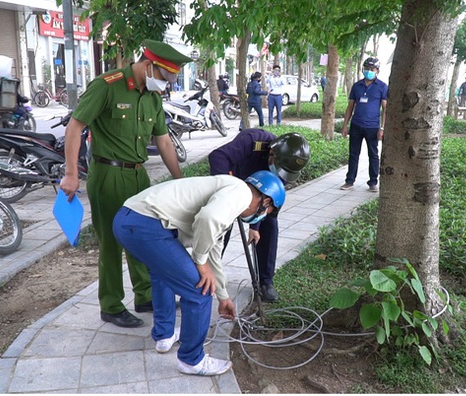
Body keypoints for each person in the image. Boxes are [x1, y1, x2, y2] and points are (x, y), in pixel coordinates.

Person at [60, 39, 193, 328]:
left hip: (138, 176)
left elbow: (164, 141)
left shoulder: (153, 98)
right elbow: (75, 127)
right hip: (108, 174)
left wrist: (180, 181)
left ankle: (144, 296)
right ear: (148, 66)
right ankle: (110, 304)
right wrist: (71, 173)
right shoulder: (107, 85)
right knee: (110, 241)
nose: (167, 84)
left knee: (143, 235)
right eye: (165, 77)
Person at [113, 171, 286, 376]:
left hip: (127, 219)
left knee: (163, 274)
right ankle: (191, 360)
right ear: (265, 201)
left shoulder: (227, 202)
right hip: (146, 224)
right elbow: (208, 218)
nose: (262, 217)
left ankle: (164, 335)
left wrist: (223, 297)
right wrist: (199, 262)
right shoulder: (241, 193)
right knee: (200, 289)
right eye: (268, 211)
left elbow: (214, 254)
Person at [208, 130, 310, 302]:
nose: (280, 173)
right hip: (234, 185)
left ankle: (265, 282)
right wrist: (227, 192)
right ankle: (207, 277)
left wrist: (255, 227)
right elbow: (217, 157)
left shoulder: (285, 168)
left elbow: (271, 200)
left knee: (269, 225)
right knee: (220, 231)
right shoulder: (252, 140)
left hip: (261, 195)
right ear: (272, 153)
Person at [340, 57, 388, 193]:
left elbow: (385, 109)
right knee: (353, 154)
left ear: (377, 70)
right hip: (356, 125)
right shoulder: (357, 86)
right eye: (367, 68)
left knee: (373, 155)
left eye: (372, 69)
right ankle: (349, 181)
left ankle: (373, 182)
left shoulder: (382, 87)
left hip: (372, 127)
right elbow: (350, 107)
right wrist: (345, 125)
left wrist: (382, 128)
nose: (369, 71)